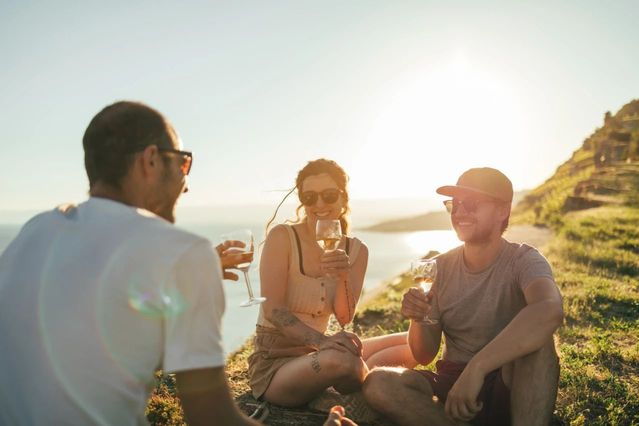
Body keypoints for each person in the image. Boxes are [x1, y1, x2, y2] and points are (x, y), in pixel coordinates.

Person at [0, 101, 351, 426]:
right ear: (150, 161)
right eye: (184, 162)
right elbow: (212, 419)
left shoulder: (37, 230)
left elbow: (86, 314)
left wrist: (181, 277)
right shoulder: (183, 253)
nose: (185, 184)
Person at [362, 167, 564, 426]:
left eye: (472, 204)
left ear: (503, 210)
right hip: (452, 384)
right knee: (379, 383)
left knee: (542, 347)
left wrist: (477, 368)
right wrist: (419, 318)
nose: (459, 212)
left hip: (508, 380)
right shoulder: (438, 267)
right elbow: (424, 355)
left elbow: (549, 309)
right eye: (455, 204)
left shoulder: (523, 260)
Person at [248, 158, 416, 408]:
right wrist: (323, 342)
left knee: (413, 342)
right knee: (344, 361)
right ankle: (368, 384)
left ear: (343, 197)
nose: (319, 204)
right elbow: (274, 310)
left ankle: (359, 377)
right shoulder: (282, 237)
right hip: (276, 362)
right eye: (309, 197)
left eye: (328, 195)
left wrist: (342, 274)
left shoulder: (357, 250)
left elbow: (345, 316)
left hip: (317, 355)